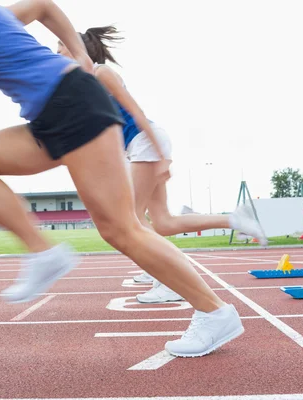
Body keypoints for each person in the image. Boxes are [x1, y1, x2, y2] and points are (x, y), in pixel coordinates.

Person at [0, 0, 255, 357]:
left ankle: (215, 312)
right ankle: (44, 252)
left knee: (123, 230)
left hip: (71, 104)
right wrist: (79, 53)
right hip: (54, 112)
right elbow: (42, 5)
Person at [57, 26, 267, 305]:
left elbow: (137, 112)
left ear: (75, 47)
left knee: (130, 221)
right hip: (141, 146)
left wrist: (162, 157)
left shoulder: (101, 73)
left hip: (147, 141)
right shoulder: (85, 81)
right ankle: (232, 220)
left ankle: (167, 281)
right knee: (163, 222)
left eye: (60, 43)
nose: (56, 49)